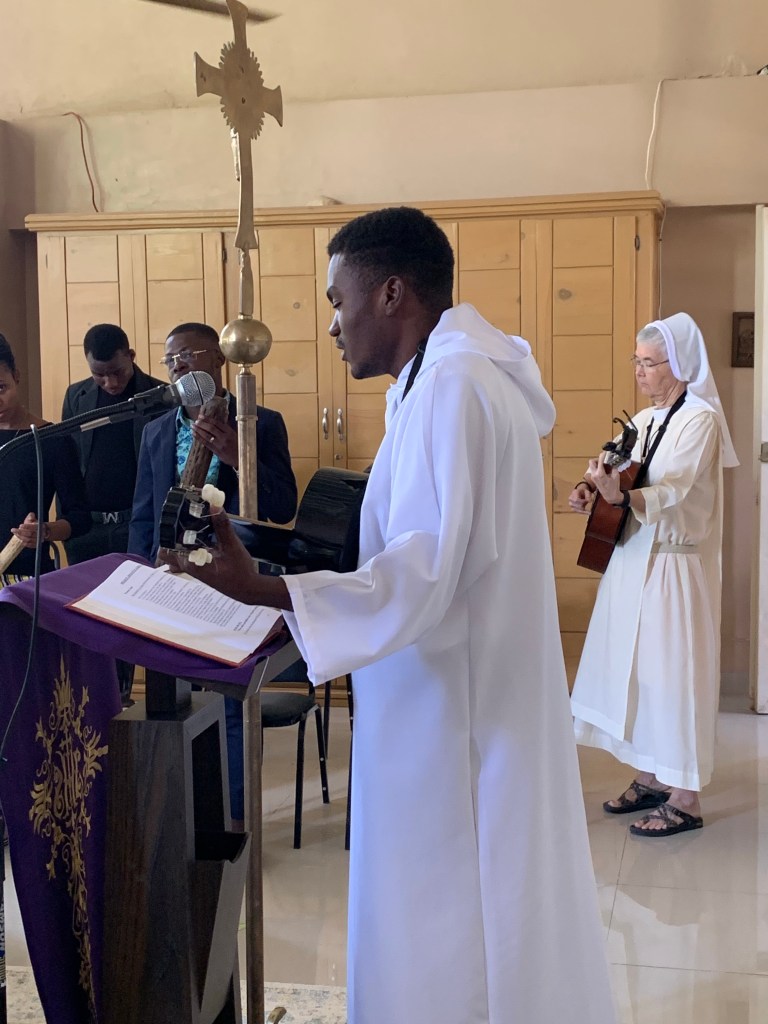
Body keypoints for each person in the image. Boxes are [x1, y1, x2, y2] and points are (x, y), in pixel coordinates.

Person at [162, 207, 616, 1024]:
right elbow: (402, 548)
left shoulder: (455, 386)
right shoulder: (433, 381)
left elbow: (422, 570)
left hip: (456, 721)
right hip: (438, 699)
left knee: (454, 934)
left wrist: (265, 590)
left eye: (338, 301)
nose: (332, 325)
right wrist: (279, 569)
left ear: (393, 293)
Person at [569, 313, 738, 837]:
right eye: (636, 361)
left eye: (649, 362)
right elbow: (615, 465)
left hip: (671, 564)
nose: (639, 371)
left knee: (673, 677)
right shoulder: (642, 420)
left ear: (679, 365)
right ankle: (651, 776)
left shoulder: (700, 421)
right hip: (631, 559)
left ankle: (685, 797)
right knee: (635, 672)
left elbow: (675, 489)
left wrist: (623, 497)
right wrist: (590, 487)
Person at [129, 321, 298, 828]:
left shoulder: (261, 423)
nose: (178, 365)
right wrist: (138, 576)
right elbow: (143, 514)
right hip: (169, 582)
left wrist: (235, 454)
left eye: (188, 355)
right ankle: (188, 828)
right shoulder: (156, 431)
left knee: (229, 709)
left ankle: (235, 828)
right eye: (170, 359)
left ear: (219, 360)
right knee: (175, 706)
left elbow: (283, 506)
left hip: (232, 580)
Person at [61, 323, 166, 705]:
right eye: (99, 374)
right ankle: (94, 700)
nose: (110, 382)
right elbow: (68, 462)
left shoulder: (159, 396)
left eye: (117, 372)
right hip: (87, 527)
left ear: (131, 357)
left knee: (131, 617)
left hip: (134, 526)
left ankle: (123, 696)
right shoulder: (76, 396)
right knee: (88, 617)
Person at [0, 334, 90, 583]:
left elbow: (80, 518)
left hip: (27, 576)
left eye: (1, 388)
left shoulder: (52, 439)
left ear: (16, 376)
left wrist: (45, 531)